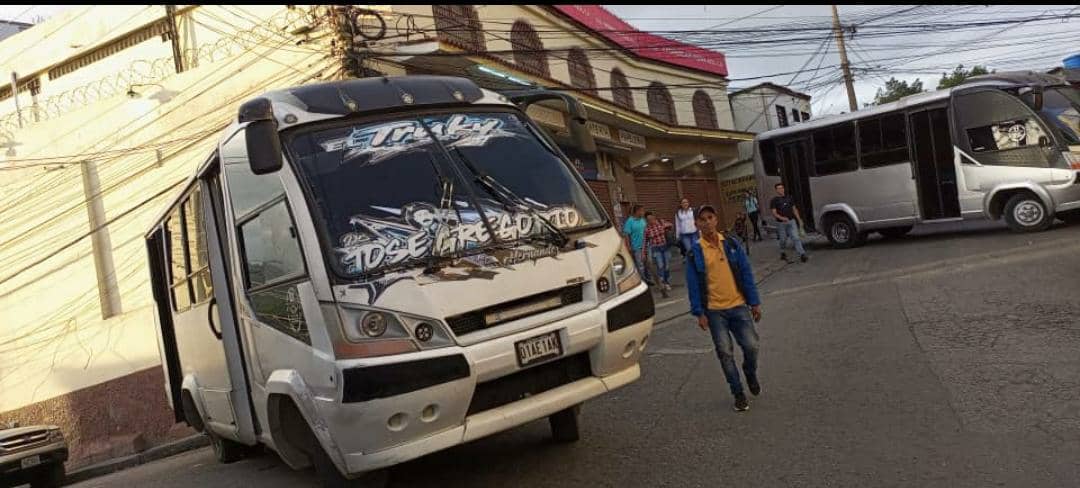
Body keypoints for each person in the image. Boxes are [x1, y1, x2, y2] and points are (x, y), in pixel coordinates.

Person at [685, 205, 763, 412]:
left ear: (716, 220)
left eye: (710, 217)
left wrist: (754, 302)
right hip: (714, 311)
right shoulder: (695, 253)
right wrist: (699, 312)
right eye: (702, 219)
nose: (707, 222)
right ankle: (738, 393)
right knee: (725, 353)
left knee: (752, 346)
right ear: (697, 224)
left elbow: (746, 273)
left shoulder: (731, 244)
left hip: (738, 305)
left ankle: (749, 371)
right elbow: (693, 285)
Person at [770, 183, 808, 263]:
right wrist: (782, 218)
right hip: (781, 224)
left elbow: (794, 209)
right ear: (776, 190)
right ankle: (782, 252)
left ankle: (802, 254)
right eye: (779, 188)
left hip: (791, 221)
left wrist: (799, 220)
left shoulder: (789, 198)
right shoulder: (774, 200)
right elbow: (774, 213)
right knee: (783, 240)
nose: (781, 189)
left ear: (784, 189)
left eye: (782, 188)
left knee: (796, 238)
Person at [622, 204, 652, 285]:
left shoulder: (643, 220)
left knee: (648, 263)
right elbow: (626, 235)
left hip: (646, 245)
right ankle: (643, 282)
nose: (643, 212)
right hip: (637, 246)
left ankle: (649, 279)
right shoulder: (629, 221)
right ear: (637, 211)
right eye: (641, 211)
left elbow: (647, 230)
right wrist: (628, 246)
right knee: (640, 265)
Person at [644, 212, 672, 295]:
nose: (651, 220)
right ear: (647, 221)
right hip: (656, 248)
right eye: (648, 219)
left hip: (665, 246)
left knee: (666, 266)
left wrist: (665, 226)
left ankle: (666, 282)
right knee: (660, 265)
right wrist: (644, 253)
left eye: (652, 218)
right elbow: (645, 242)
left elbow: (671, 226)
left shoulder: (660, 223)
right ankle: (662, 283)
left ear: (654, 217)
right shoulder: (647, 229)